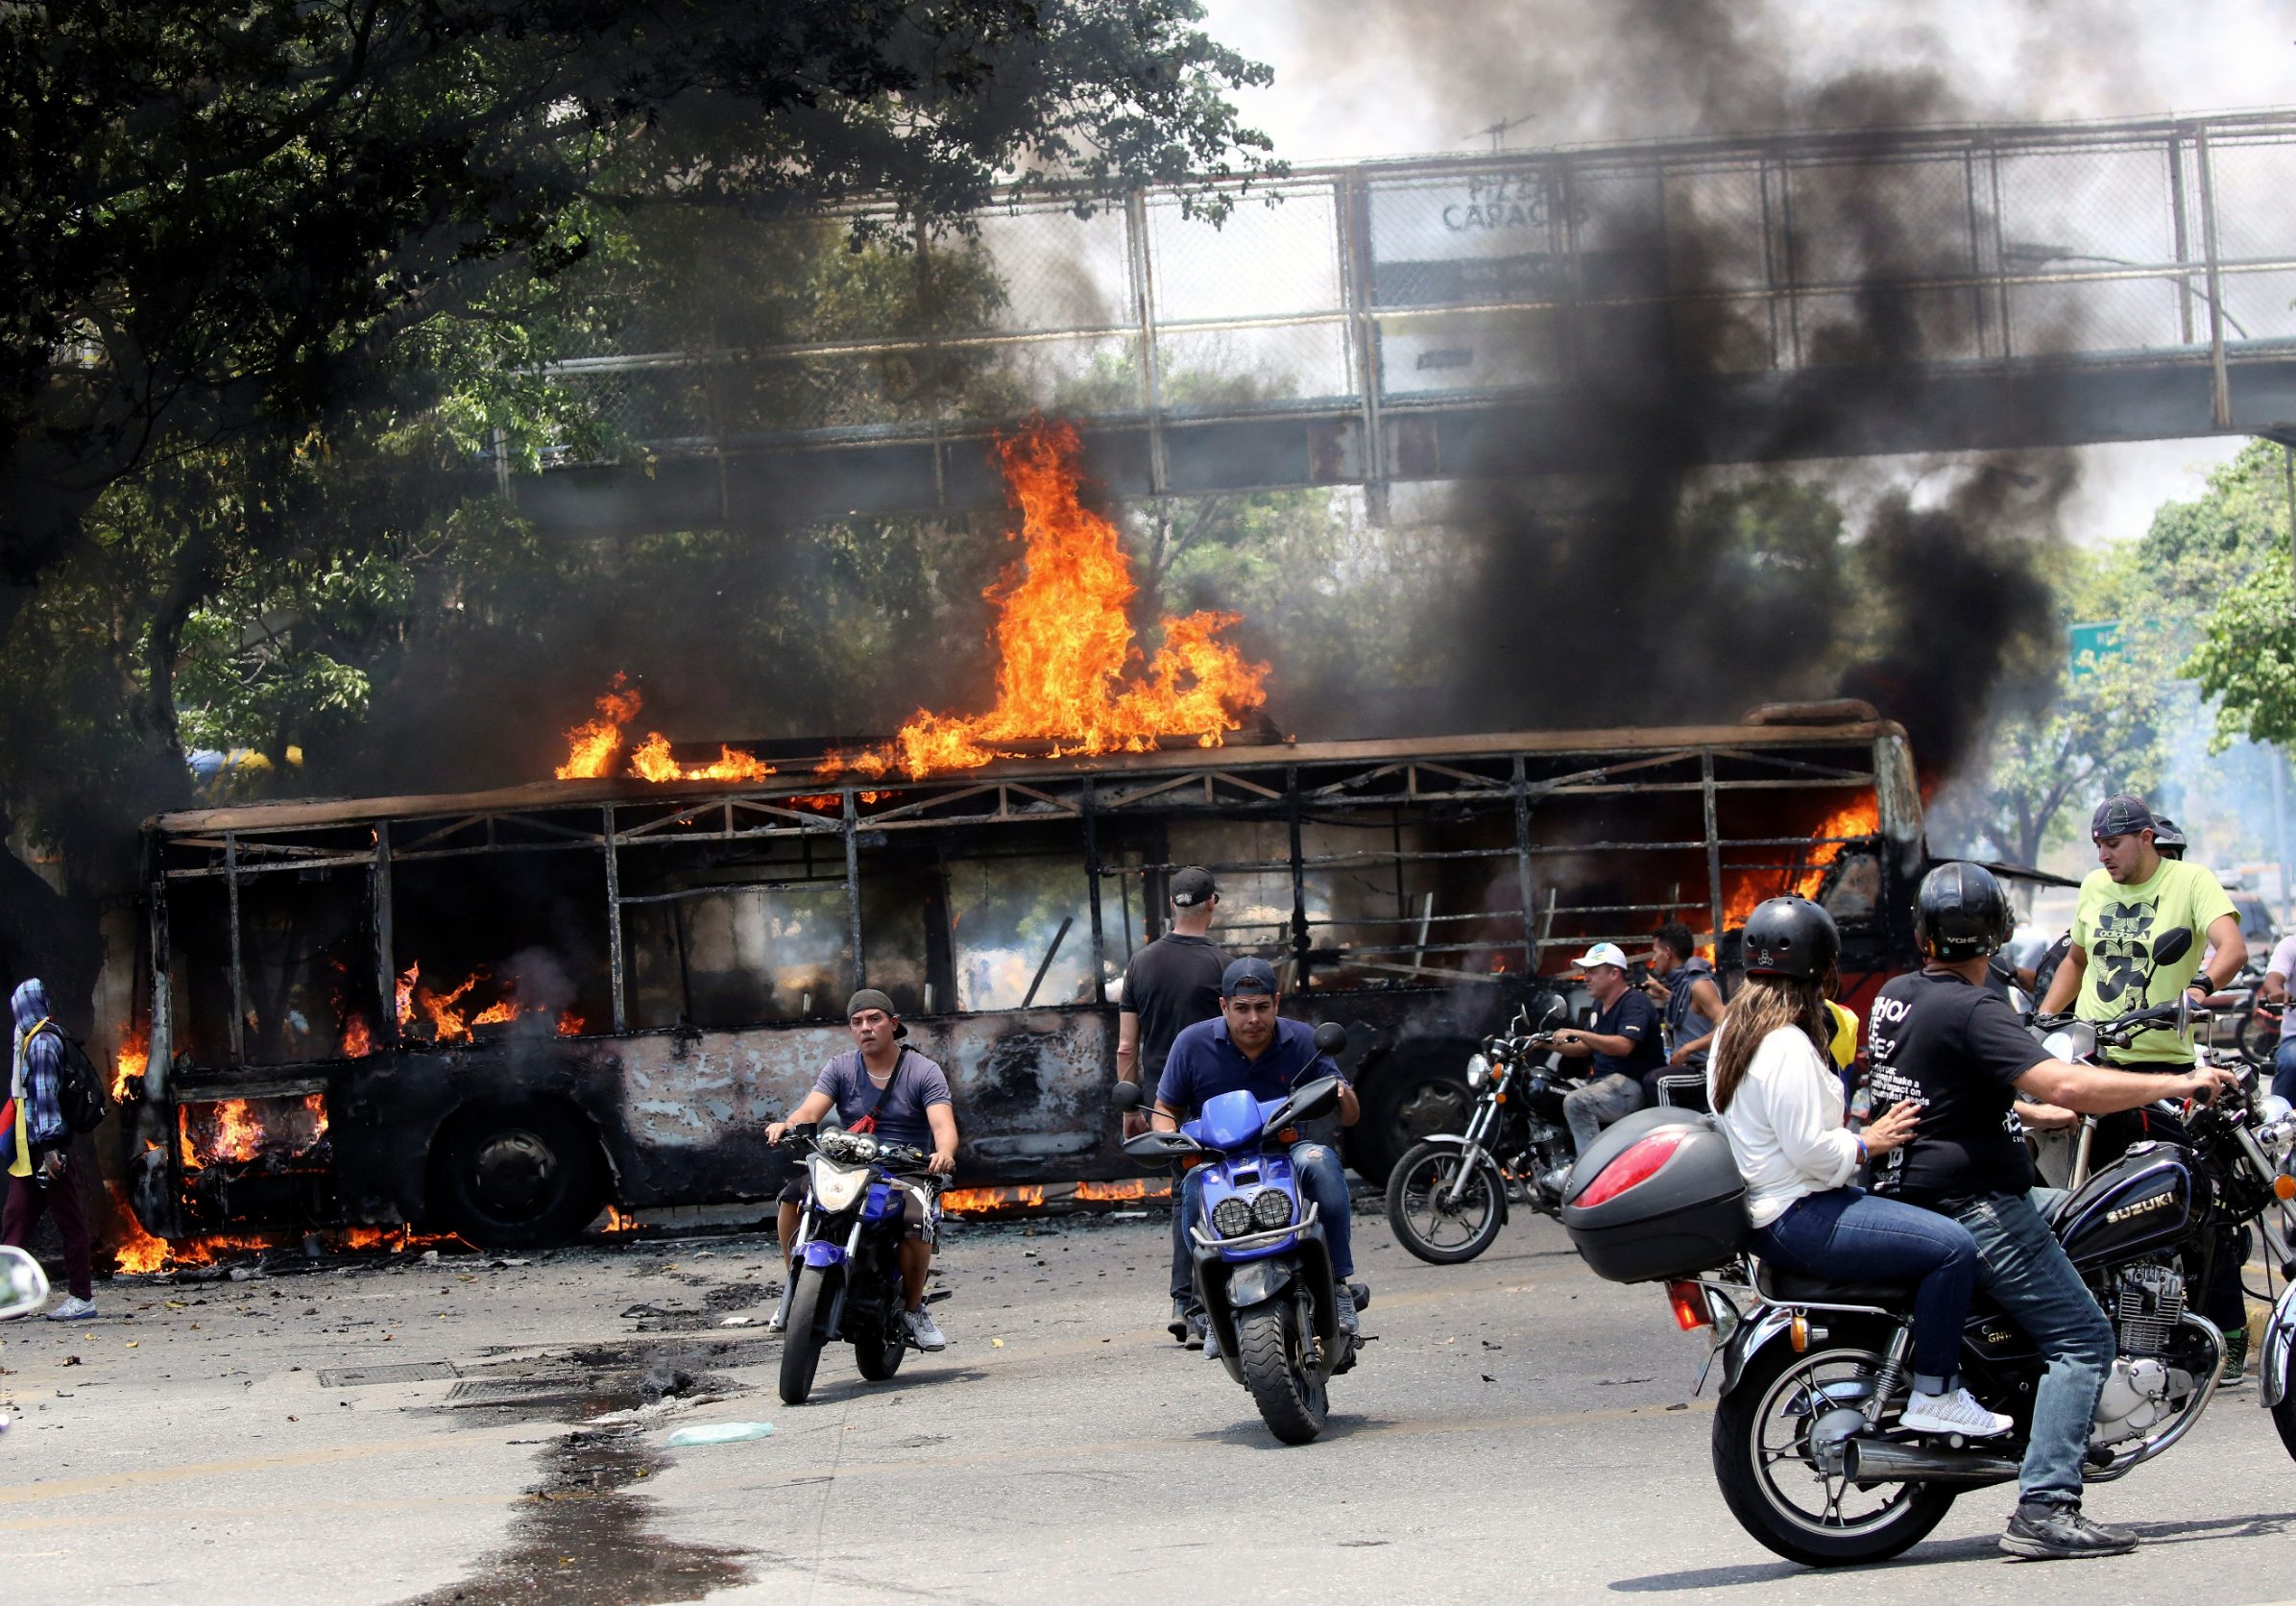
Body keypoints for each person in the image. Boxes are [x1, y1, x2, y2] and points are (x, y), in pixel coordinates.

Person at [1869, 861, 2239, 1560]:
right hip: (1975, 1203)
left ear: (1921, 934)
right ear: (1999, 936)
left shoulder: (1897, 995)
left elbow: (1940, 1080)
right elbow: (2067, 1080)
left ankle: (2042, 1398)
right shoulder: (1974, 1007)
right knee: (2082, 1339)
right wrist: (2178, 1078)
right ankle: (2044, 1506)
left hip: (1914, 1186)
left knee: (2090, 1216)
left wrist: (2023, 1109)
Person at [1708, 898, 2008, 1438]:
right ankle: (1937, 1394)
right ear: (1823, 970)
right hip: (1801, 1212)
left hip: (1771, 1210)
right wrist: (1867, 1141)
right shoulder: (1786, 1045)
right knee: (1953, 1247)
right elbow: (1811, 1153)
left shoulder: (1734, 1033)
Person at [2036, 792, 2250, 1371]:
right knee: (2093, 1208)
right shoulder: (2092, 888)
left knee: (2200, 1200)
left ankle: (2227, 1337)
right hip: (2101, 1069)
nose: (2104, 855)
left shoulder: (2191, 880)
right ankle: (2110, 1330)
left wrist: (2200, 989)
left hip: (2174, 1073)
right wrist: (2041, 1025)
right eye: (2097, 844)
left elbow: (2232, 945)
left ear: (2147, 838)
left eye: (2114, 843)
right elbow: (2077, 961)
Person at [1154, 957, 1361, 1359]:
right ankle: (1209, 1308)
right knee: (1192, 1189)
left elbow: (1350, 1114)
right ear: (1224, 1007)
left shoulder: (1303, 1041)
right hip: (1218, 1162)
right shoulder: (1192, 1044)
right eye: (1242, 1008)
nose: (1253, 1019)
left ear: (1277, 1003)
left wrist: (1340, 1093)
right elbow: (1165, 1108)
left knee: (1321, 1161)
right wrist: (1171, 1141)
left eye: (1262, 1007)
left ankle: (1338, 1284)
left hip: (1287, 1153)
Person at [765, 989, 958, 1351]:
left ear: (893, 1024)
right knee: (793, 1199)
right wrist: (787, 1125)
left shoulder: (923, 1071)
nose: (866, 1028)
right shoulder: (840, 1067)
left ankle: (914, 1309)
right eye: (857, 1022)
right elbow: (810, 1112)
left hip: (906, 1170)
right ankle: (794, 1286)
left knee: (917, 1221)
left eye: (874, 1019)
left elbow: (943, 1126)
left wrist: (944, 1152)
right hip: (850, 1165)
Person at [1114, 866, 1229, 1347]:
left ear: (1172, 907)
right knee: (1224, 1192)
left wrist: (1130, 1106)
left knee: (1185, 1193)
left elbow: (1125, 1047)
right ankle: (1209, 1303)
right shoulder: (1224, 965)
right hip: (1216, 1099)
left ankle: (1186, 1303)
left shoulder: (1140, 964)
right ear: (1212, 903)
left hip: (1163, 1100)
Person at [1, 979, 96, 1322]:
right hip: (30, 1156)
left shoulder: (41, 1043)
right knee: (14, 1224)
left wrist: (51, 1151)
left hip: (47, 1155)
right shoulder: (34, 1039)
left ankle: (82, 1299)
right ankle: (10, 1301)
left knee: (70, 1224)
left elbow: (44, 1100)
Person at [1551, 942, 1664, 1173]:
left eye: (1592, 972)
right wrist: (1541, 1044)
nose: (1586, 978)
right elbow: (1585, 1047)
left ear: (1614, 973)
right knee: (1549, 1092)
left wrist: (1580, 1033)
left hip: (1630, 1086)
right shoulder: (1598, 1006)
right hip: (1603, 1083)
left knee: (1576, 1102)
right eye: (1586, 972)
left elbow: (1623, 1046)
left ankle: (1592, 1176)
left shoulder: (1635, 1002)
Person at [1642, 920, 1727, 1101]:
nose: (1654, 959)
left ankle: (1671, 1128)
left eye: (1656, 952)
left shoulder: (1699, 985)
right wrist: (1663, 993)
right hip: (1689, 1068)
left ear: (1668, 953)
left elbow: (1729, 1026)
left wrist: (1688, 1049)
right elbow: (1689, 1009)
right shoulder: (1682, 986)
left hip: (1705, 1070)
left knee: (1657, 1081)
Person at [2261, 924, 2296, 1107]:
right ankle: (2278, 1119)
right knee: (2292, 1063)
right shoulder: (2290, 945)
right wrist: (2277, 991)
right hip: (2294, 1038)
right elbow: (2273, 979)